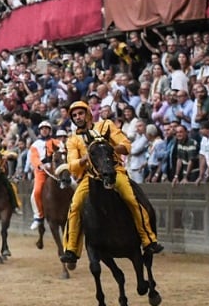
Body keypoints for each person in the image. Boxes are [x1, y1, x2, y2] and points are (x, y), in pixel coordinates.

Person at [59, 101, 163, 266]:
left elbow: (126, 145)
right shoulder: (73, 140)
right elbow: (72, 164)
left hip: (115, 171)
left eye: (80, 113)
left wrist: (108, 148)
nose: (78, 117)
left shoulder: (106, 125)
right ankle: (71, 249)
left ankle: (148, 240)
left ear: (87, 113)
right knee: (75, 205)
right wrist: (86, 158)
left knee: (131, 199)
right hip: (91, 177)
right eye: (74, 115)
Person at [28, 121, 54, 230]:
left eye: (46, 128)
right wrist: (40, 165)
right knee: (36, 193)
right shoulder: (35, 145)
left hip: (55, 170)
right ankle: (38, 216)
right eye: (42, 128)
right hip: (41, 171)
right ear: (40, 131)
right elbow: (34, 158)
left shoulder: (56, 142)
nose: (44, 130)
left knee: (72, 184)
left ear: (49, 130)